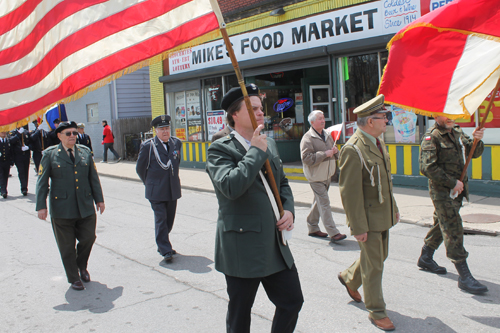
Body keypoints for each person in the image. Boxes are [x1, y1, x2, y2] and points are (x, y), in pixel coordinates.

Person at [206, 84, 304, 333]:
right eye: (254, 108)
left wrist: (289, 210)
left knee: (292, 301)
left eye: (261, 108)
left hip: (274, 243)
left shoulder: (268, 143)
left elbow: (281, 183)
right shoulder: (220, 149)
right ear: (235, 115)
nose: (262, 112)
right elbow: (230, 186)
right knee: (240, 314)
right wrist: (254, 152)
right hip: (242, 246)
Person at [337, 95, 399, 331]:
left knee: (379, 257)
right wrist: (358, 227)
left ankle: (349, 277)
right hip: (368, 220)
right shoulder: (353, 150)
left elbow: (385, 183)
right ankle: (377, 311)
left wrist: (394, 209)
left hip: (382, 214)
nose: (387, 121)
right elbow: (350, 194)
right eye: (384, 117)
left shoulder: (376, 142)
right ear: (370, 121)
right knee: (375, 266)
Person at [418, 115, 488, 294]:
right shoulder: (431, 137)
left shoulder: (457, 131)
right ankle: (464, 276)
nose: (450, 117)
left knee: (441, 223)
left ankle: (426, 256)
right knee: (452, 227)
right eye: (445, 114)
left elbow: (475, 153)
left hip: (458, 190)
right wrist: (452, 182)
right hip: (443, 192)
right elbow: (427, 167)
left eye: (452, 113)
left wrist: (476, 140)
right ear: (436, 116)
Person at [36, 121, 105, 291]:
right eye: (68, 133)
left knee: (89, 238)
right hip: (62, 209)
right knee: (67, 246)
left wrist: (99, 200)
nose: (72, 136)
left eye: (74, 132)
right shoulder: (50, 154)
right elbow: (42, 182)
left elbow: (93, 178)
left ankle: (81, 266)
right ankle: (73, 277)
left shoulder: (85, 152)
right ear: (59, 136)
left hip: (85, 206)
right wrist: (41, 206)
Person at [136, 115, 182, 261]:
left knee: (169, 220)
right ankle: (165, 250)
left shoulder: (176, 143)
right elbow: (140, 168)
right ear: (155, 131)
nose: (165, 131)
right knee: (161, 219)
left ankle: (163, 243)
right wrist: (149, 183)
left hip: (172, 189)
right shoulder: (148, 146)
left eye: (167, 128)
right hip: (156, 190)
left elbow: (176, 163)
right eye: (161, 129)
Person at [300, 110, 346, 242]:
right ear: (312, 122)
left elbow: (332, 151)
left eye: (323, 117)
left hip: (327, 175)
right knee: (324, 202)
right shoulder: (307, 138)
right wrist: (325, 154)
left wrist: (335, 152)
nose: (323, 120)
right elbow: (306, 158)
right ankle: (333, 232)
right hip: (315, 177)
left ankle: (312, 227)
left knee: (318, 202)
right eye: (319, 118)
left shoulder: (327, 134)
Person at [9, 127, 31, 196]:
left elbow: (31, 142)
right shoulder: (13, 133)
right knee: (21, 172)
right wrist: (18, 134)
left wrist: (28, 147)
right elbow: (11, 141)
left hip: (26, 155)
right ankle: (23, 188)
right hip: (18, 157)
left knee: (26, 171)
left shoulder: (26, 132)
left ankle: (25, 186)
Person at [0, 131, 14, 198]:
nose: (3, 133)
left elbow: (11, 152)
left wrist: (11, 162)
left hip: (7, 162)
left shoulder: (8, 141)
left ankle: (3, 189)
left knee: (5, 176)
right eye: (2, 132)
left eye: (4, 132)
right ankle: (3, 191)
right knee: (1, 175)